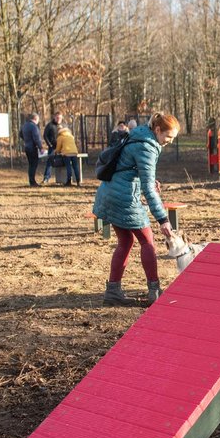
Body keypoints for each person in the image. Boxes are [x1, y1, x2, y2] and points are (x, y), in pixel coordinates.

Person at [92, 112, 180, 306]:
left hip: (110, 193)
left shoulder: (139, 135)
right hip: (123, 198)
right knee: (147, 242)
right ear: (158, 130)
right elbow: (148, 188)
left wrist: (144, 181)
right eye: (168, 137)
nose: (169, 142)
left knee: (125, 241)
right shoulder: (147, 146)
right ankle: (154, 292)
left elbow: (130, 167)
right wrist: (163, 219)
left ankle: (113, 291)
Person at [20, 113, 42, 187]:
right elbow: (37, 138)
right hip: (32, 147)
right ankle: (33, 182)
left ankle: (31, 180)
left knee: (30, 164)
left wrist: (26, 139)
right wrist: (40, 147)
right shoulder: (33, 127)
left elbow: (20, 134)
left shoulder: (25, 125)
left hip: (27, 146)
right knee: (34, 164)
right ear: (35, 119)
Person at [42, 112, 63, 184]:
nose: (58, 119)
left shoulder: (63, 126)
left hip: (62, 147)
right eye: (57, 118)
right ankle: (46, 178)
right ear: (54, 117)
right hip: (53, 147)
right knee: (50, 162)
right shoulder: (50, 125)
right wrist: (49, 144)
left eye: (60, 118)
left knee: (65, 161)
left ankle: (65, 178)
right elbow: (45, 135)